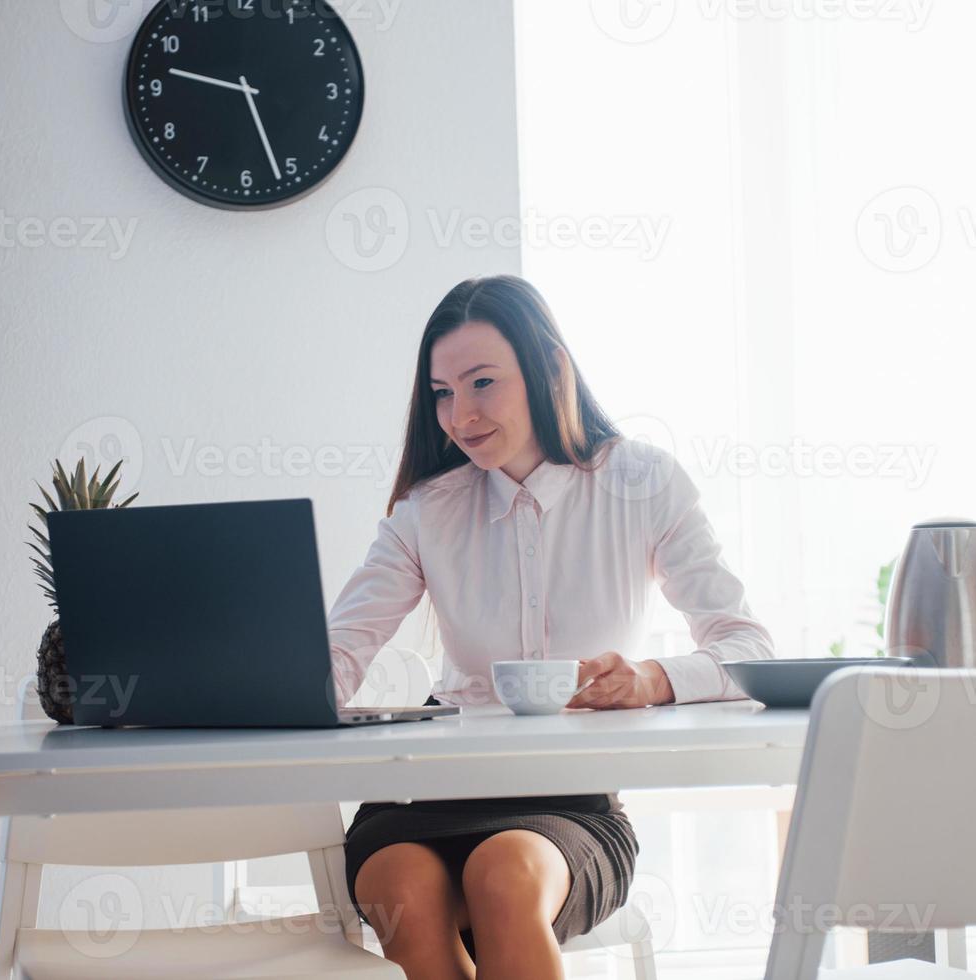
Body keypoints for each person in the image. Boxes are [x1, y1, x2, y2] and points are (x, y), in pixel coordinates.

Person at [327, 274, 774, 979]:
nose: (458, 415)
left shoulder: (643, 482)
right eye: (442, 392)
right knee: (404, 894)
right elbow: (340, 648)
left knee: (504, 876)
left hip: (570, 801)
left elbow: (747, 647)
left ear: (549, 371)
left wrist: (651, 680)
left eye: (480, 383)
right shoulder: (425, 511)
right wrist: (256, 685)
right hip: (423, 796)